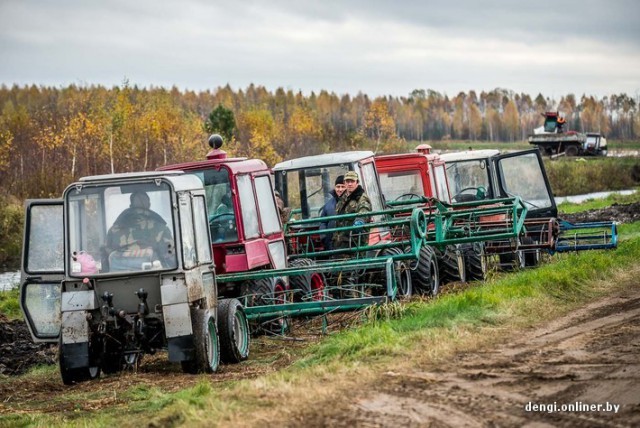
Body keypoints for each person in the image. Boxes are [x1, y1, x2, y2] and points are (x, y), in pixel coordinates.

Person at [104, 191, 175, 271]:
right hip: (154, 279)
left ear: (131, 206)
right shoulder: (161, 229)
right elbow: (170, 256)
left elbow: (106, 253)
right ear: (149, 205)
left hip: (116, 280)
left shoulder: (114, 230)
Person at [332, 171, 372, 249]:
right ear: (344, 183)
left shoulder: (361, 198)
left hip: (354, 243)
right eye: (347, 181)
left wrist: (360, 221)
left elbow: (364, 210)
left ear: (357, 183)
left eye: (352, 181)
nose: (350, 184)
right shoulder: (343, 197)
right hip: (340, 242)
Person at [319, 175, 346, 250]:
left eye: (343, 186)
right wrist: (324, 237)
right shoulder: (328, 205)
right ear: (335, 187)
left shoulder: (352, 203)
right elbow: (323, 222)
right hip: (331, 245)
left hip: (348, 244)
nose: (340, 189)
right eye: (338, 186)